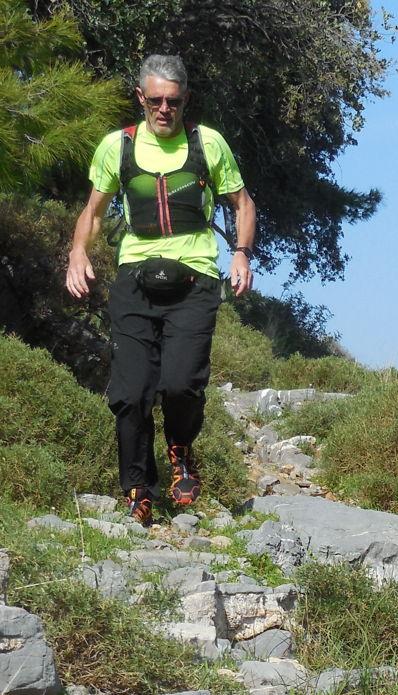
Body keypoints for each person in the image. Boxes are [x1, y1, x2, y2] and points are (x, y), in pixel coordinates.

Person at [66, 54, 255, 525]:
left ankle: (180, 449)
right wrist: (78, 252)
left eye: (173, 101)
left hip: (195, 280)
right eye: (155, 101)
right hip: (135, 281)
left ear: (185, 99)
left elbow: (242, 203)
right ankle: (138, 488)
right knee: (131, 393)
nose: (164, 109)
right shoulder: (118, 146)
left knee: (181, 385)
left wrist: (240, 253)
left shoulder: (207, 143)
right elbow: (93, 211)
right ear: (141, 98)